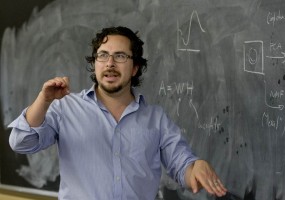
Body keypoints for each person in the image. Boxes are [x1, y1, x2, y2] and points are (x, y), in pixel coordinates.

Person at [8, 26, 227, 200]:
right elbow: (21, 142)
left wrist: (195, 167)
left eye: (120, 56)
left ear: (135, 68)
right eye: (103, 55)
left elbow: (183, 167)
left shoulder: (156, 118)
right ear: (95, 64)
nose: (110, 63)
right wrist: (43, 100)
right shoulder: (66, 108)